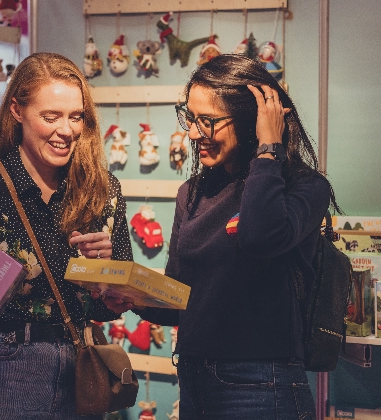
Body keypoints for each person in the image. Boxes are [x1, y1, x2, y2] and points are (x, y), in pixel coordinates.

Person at [104, 54, 340, 419]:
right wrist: (132, 295)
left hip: (262, 383)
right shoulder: (192, 193)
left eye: (208, 122)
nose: (195, 133)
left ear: (252, 121)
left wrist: (268, 149)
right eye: (191, 118)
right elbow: (180, 295)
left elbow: (260, 237)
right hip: (195, 377)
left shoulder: (303, 187)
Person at [0, 52, 133, 420]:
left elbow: (110, 301)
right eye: (50, 116)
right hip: (1, 369)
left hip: (81, 369)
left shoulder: (102, 191)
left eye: (75, 116)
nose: (65, 130)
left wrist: (109, 284)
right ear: (17, 111)